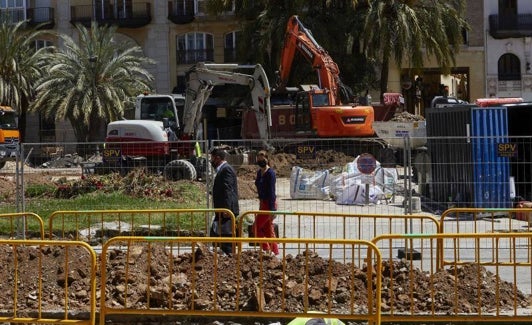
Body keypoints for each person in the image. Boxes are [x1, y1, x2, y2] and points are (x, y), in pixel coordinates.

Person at [209, 148, 240, 256]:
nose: (211, 160)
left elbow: (228, 190)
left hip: (226, 211)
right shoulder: (222, 170)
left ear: (217, 158)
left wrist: (227, 209)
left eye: (212, 158)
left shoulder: (226, 170)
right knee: (217, 233)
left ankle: (230, 259)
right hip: (222, 210)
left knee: (227, 236)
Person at [252, 150, 279, 255]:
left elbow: (272, 191)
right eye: (258, 159)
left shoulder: (270, 173)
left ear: (267, 159)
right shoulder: (259, 173)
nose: (260, 161)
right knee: (268, 228)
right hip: (263, 203)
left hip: (269, 203)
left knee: (256, 227)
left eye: (262, 158)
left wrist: (272, 209)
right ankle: (275, 252)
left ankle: (266, 248)